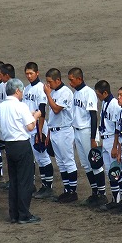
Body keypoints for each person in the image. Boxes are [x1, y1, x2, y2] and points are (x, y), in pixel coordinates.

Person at [0, 78, 42, 224]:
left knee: (14, 180)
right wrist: (35, 116)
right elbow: (30, 127)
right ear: (17, 91)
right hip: (21, 144)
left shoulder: (1, 106)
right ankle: (24, 214)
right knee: (25, 181)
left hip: (9, 145)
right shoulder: (21, 106)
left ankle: (14, 214)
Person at [68, 67, 105, 206]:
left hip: (87, 131)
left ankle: (102, 194)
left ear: (79, 78)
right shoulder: (76, 93)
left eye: (71, 79)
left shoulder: (88, 92)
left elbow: (93, 115)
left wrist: (93, 138)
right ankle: (95, 193)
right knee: (86, 164)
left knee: (95, 163)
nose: (70, 82)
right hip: (77, 131)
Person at [43, 68, 78, 203]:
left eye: (50, 82)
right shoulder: (55, 92)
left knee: (68, 161)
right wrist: (48, 133)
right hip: (55, 131)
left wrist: (48, 95)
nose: (48, 84)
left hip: (64, 131)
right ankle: (67, 189)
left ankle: (73, 192)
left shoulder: (66, 92)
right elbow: (52, 116)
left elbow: (56, 110)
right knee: (61, 163)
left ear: (58, 80)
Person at [95, 80, 122, 211]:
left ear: (105, 92)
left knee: (117, 172)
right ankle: (116, 200)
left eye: (98, 94)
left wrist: (115, 147)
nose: (97, 96)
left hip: (112, 141)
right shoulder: (105, 103)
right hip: (106, 140)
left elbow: (117, 128)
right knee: (110, 172)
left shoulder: (115, 105)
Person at [24, 62, 55, 199]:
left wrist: (40, 131)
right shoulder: (26, 89)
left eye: (31, 73)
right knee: (33, 157)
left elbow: (42, 110)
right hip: (28, 127)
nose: (29, 76)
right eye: (27, 73)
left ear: (37, 73)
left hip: (38, 127)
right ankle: (37, 185)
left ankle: (48, 187)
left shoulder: (40, 88)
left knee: (43, 158)